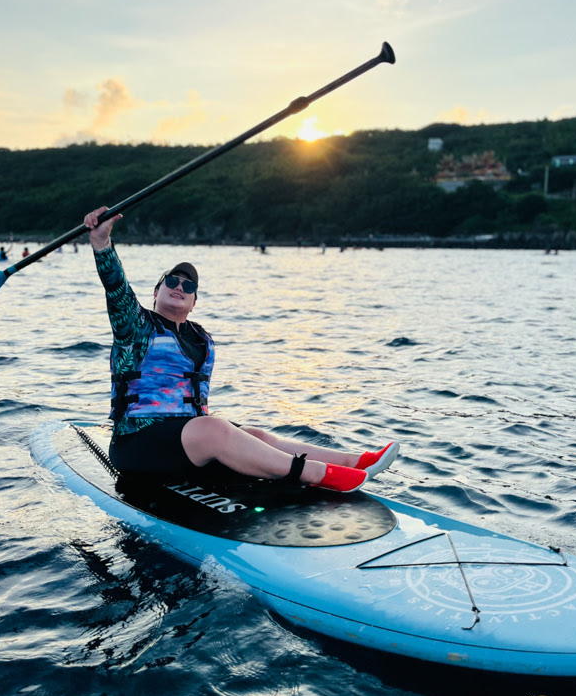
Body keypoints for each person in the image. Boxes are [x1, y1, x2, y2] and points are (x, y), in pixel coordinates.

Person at [84, 206, 399, 493]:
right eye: (172, 282)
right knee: (214, 429)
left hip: (183, 444)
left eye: (189, 286)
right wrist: (102, 244)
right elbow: (116, 287)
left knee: (256, 436)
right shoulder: (134, 325)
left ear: (194, 303)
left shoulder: (201, 340)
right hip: (137, 444)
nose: (180, 287)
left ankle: (353, 461)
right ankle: (318, 474)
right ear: (156, 291)